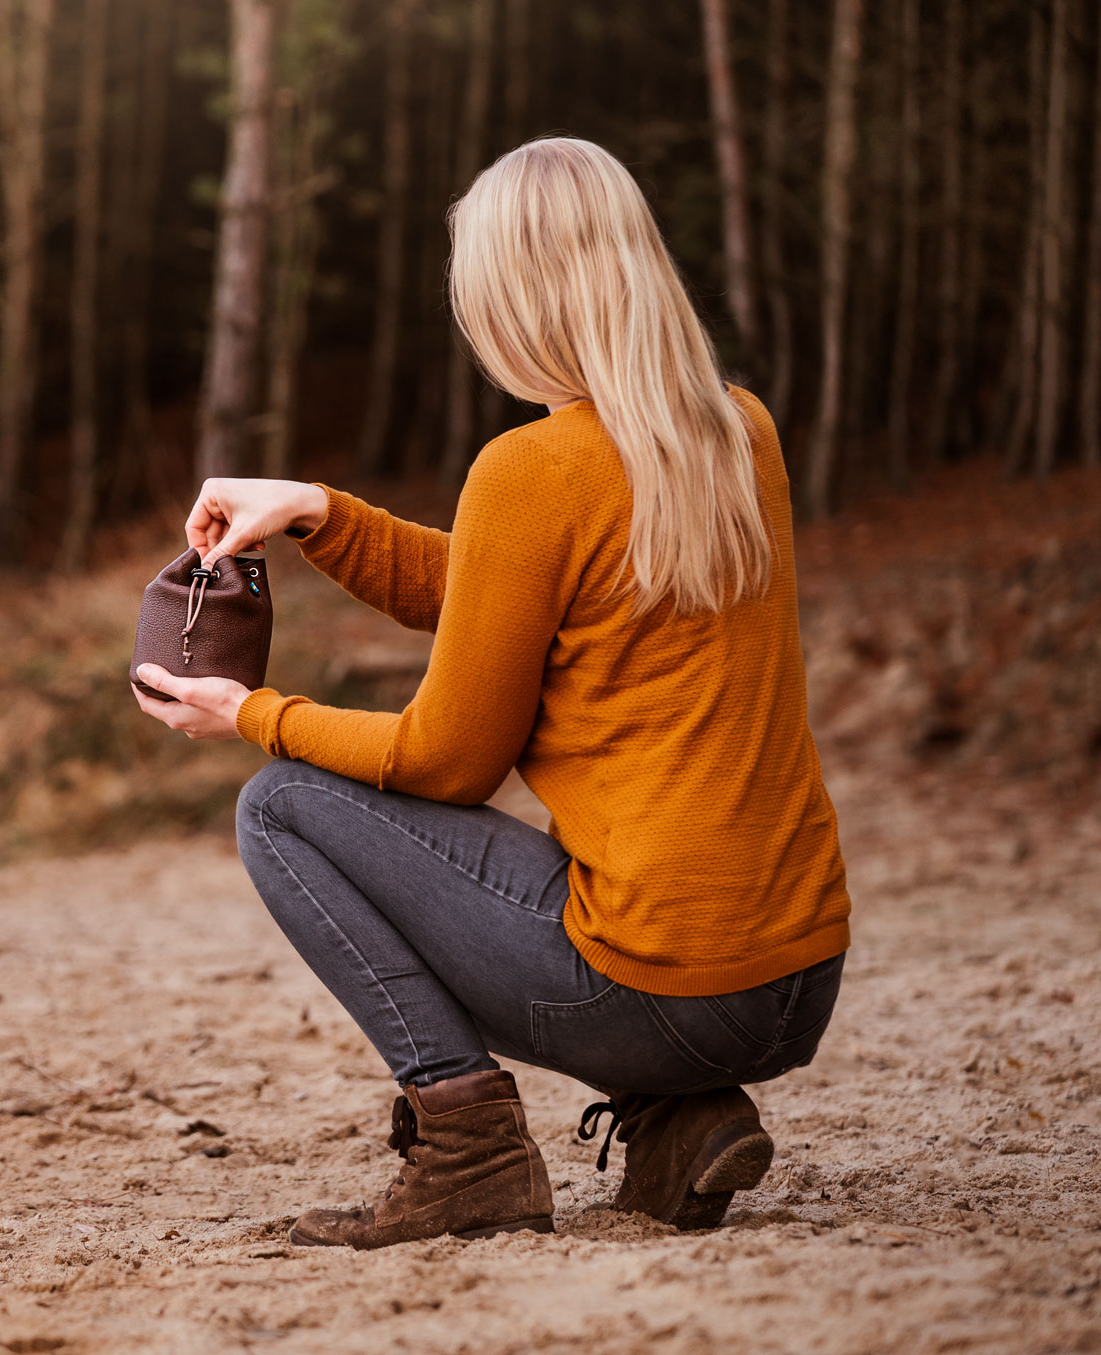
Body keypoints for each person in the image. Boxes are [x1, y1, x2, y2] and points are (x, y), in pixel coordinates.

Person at [132, 137, 850, 1250]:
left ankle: (465, 1149)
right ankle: (681, 1117)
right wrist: (318, 509)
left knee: (279, 807)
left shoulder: (529, 468)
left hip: (669, 984)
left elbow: (446, 761)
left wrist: (249, 713)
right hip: (795, 978)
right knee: (604, 886)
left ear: (512, 298)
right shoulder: (732, 429)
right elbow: (503, 589)